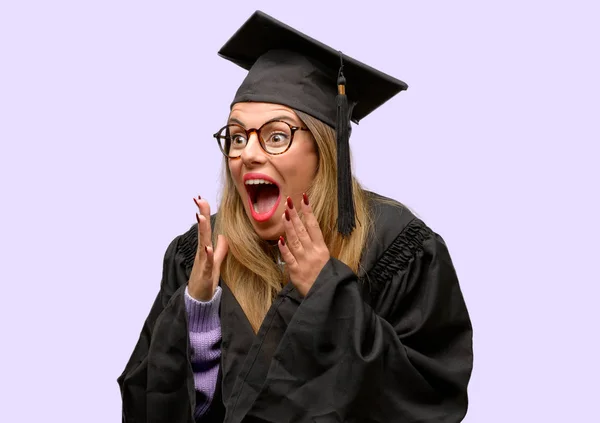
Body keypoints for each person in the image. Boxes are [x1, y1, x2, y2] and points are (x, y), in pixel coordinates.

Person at [117, 10, 473, 423]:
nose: (248, 153)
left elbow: (429, 401)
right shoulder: (199, 256)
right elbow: (147, 409)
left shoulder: (398, 247)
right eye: (236, 137)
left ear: (325, 148)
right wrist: (197, 317)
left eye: (276, 136)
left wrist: (331, 298)